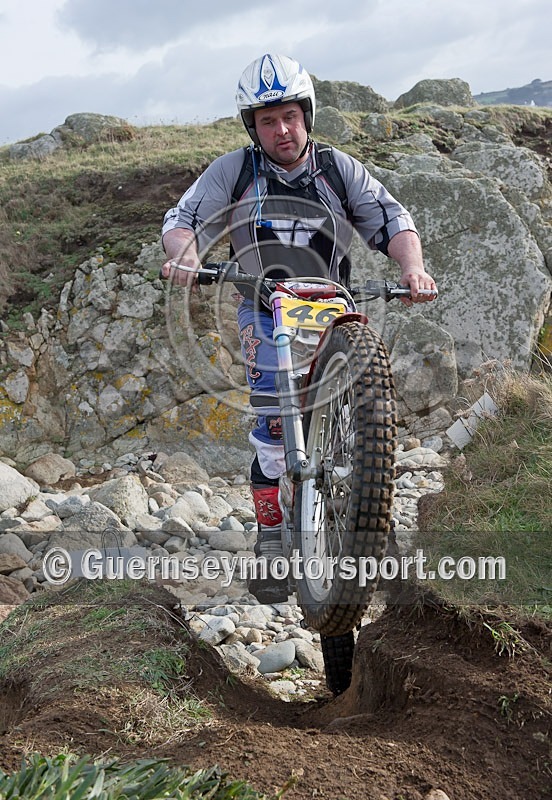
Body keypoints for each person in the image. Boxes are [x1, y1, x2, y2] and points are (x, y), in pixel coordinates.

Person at [161, 53, 437, 603]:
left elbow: (391, 219)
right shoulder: (234, 172)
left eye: (289, 116)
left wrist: (412, 268)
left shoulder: (338, 170)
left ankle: (365, 498)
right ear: (253, 127)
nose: (281, 130)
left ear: (306, 114)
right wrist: (186, 258)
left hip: (332, 307)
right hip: (264, 310)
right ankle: (270, 530)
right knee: (271, 421)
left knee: (363, 405)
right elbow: (182, 220)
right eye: (267, 120)